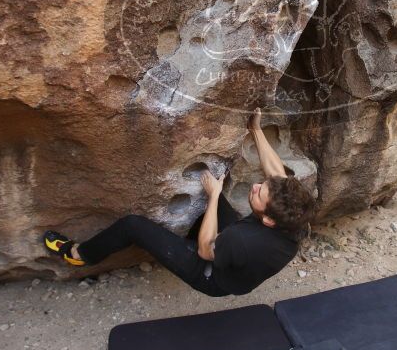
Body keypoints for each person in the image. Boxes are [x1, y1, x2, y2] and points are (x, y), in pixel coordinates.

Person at [42, 108, 315, 296]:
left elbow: (206, 251)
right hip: (239, 255)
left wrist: (215, 196)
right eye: (260, 186)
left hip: (209, 274)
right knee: (215, 210)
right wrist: (255, 130)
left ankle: (79, 254)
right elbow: (277, 174)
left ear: (268, 220)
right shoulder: (294, 215)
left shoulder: (242, 239)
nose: (255, 187)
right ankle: (181, 240)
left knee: (132, 226)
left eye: (258, 194)